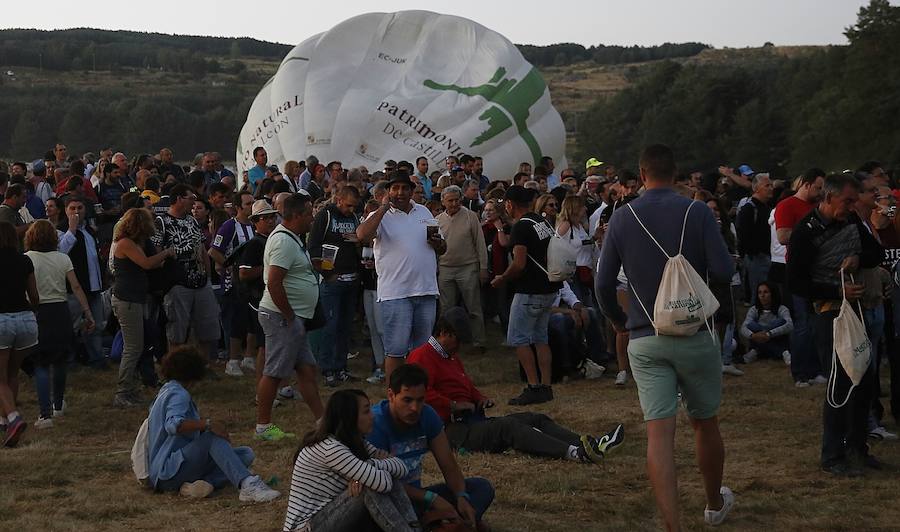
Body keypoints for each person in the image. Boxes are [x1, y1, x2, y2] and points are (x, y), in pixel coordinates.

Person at [596, 145, 736, 530]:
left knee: (659, 433)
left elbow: (603, 282)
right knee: (705, 423)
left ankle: (672, 525)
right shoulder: (696, 211)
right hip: (694, 333)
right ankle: (712, 505)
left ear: (642, 175)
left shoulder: (623, 218)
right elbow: (724, 270)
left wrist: (619, 320)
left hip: (645, 334)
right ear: (676, 174)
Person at [409, 318, 624, 462]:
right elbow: (420, 396)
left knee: (535, 419)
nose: (460, 347)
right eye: (458, 340)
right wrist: (453, 405)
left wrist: (479, 398)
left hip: (470, 421)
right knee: (508, 427)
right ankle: (574, 453)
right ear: (444, 334)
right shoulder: (421, 357)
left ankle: (587, 443)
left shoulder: (450, 357)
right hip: (451, 431)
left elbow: (467, 387)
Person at [786, 174, 883, 476]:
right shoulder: (805, 232)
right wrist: (836, 291)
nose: (852, 206)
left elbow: (876, 253)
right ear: (828, 198)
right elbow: (796, 282)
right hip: (830, 313)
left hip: (857, 310)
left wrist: (857, 257)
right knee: (840, 384)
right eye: (847, 201)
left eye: (854, 201)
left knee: (865, 381)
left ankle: (857, 448)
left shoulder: (851, 221)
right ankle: (832, 455)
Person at [146, 345, 280, 502]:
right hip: (168, 471)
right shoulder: (179, 394)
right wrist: (207, 424)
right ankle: (247, 485)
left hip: (168, 470)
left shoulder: (165, 391)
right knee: (211, 438)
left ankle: (199, 485)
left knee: (245, 454)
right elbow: (174, 425)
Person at [368, 364, 494, 530]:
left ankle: (448, 523)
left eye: (420, 400)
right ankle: (450, 524)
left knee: (481, 488)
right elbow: (378, 483)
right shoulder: (375, 423)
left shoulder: (427, 415)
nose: (414, 408)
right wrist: (431, 498)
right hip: (390, 500)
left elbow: (448, 465)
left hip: (418, 499)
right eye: (407, 400)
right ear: (391, 395)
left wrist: (461, 496)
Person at [283, 389, 419, 532]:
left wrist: (370, 467)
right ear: (349, 417)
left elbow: (402, 469)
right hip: (306, 528)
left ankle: (415, 527)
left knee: (380, 478)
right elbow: (382, 483)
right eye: (366, 412)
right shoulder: (331, 448)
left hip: (332, 515)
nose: (372, 416)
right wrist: (371, 470)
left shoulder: (355, 442)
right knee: (369, 487)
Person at [356, 171, 446, 382]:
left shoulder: (423, 211)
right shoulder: (379, 215)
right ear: (387, 192)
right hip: (396, 293)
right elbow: (362, 235)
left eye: (405, 188)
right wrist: (383, 208)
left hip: (426, 290)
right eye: (395, 188)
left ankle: (418, 392)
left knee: (422, 350)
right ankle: (394, 397)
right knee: (396, 349)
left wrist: (439, 244)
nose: (400, 192)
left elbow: (442, 247)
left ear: (412, 191)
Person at [256, 193, 325, 441]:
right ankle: (263, 426)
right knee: (274, 372)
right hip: (282, 317)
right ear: (296, 215)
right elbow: (274, 283)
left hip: (294, 317)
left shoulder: (293, 238)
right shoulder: (284, 242)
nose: (312, 218)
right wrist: (289, 317)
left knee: (306, 369)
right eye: (309, 213)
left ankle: (322, 420)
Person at [490, 185, 561, 406]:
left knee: (519, 338)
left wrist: (502, 278)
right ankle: (546, 385)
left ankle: (533, 386)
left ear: (510, 204)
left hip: (529, 290)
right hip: (548, 287)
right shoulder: (543, 223)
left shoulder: (521, 227)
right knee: (540, 338)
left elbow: (519, 263)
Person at [24, 220, 95, 428]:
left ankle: (45, 415)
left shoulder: (27, 258)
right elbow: (76, 286)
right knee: (61, 359)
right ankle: (58, 405)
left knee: (41, 363)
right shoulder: (63, 258)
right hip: (61, 310)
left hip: (39, 311)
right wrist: (87, 312)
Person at [111, 208, 174, 407]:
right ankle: (123, 392)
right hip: (127, 300)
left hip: (134, 299)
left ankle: (132, 387)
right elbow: (147, 264)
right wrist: (166, 252)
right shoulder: (125, 243)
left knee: (137, 346)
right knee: (132, 348)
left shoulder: (135, 243)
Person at [151, 184, 220, 355]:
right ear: (179, 199)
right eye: (191, 199)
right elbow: (156, 253)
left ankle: (202, 368)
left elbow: (202, 249)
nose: (194, 203)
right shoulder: (161, 222)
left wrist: (208, 278)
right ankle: (174, 371)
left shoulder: (191, 221)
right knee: (177, 332)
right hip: (177, 284)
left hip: (201, 283)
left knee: (206, 330)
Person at [774, 168, 826, 386]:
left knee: (817, 321)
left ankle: (815, 369)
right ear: (806, 184)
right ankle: (800, 372)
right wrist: (811, 231)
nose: (821, 192)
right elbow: (783, 236)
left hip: (819, 270)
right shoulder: (787, 205)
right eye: (818, 187)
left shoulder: (817, 206)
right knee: (802, 322)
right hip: (799, 270)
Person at [308, 186, 362, 387]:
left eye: (354, 206)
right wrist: (327, 274)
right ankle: (327, 368)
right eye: (348, 205)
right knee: (330, 325)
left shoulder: (354, 217)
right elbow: (313, 246)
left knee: (345, 326)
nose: (350, 209)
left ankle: (341, 367)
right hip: (332, 280)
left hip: (351, 278)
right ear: (338, 200)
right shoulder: (326, 216)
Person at [209, 190, 257, 377]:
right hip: (234, 284)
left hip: (253, 282)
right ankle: (233, 360)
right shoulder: (229, 226)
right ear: (238, 207)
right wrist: (229, 266)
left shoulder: (254, 226)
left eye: (253, 202)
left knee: (253, 321)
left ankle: (249, 357)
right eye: (247, 203)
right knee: (236, 322)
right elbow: (214, 251)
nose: (251, 206)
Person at [0, 221, 39, 447]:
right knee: (12, 374)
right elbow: (34, 296)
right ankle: (5, 420)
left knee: (0, 377)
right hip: (25, 321)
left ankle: (13, 418)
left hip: (2, 320)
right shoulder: (25, 260)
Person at [436, 185, 488, 349]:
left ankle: (478, 341)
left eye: (457, 200)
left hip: (468, 267)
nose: (454, 203)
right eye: (450, 200)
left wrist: (483, 267)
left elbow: (480, 243)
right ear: (443, 201)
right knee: (446, 309)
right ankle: (446, 343)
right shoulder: (437, 220)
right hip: (445, 268)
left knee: (473, 307)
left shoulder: (470, 216)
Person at [59, 197, 108, 370]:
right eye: (72, 208)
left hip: (93, 286)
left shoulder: (89, 230)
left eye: (80, 207)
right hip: (73, 288)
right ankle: (69, 361)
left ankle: (96, 358)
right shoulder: (61, 230)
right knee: (72, 327)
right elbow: (61, 252)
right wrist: (71, 230)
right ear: (66, 210)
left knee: (96, 325)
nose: (76, 212)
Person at [238, 200, 280, 383]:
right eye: (266, 218)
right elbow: (244, 273)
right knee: (264, 345)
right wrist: (269, 268)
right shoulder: (254, 244)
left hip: (272, 298)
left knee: (275, 345)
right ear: (256, 221)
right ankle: (263, 386)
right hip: (259, 300)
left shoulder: (271, 239)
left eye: (273, 217)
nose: (271, 221)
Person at [735, 173, 773, 304]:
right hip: (755, 257)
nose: (771, 188)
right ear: (756, 188)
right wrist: (748, 253)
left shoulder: (766, 208)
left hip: (766, 256)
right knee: (760, 296)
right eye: (767, 185)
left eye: (771, 185)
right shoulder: (749, 209)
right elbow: (742, 234)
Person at [740, 282, 793, 364]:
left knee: (781, 322)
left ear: (772, 294)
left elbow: (790, 325)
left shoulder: (782, 309)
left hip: (776, 339)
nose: (762, 295)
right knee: (751, 325)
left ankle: (756, 352)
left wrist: (769, 334)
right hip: (759, 341)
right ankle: (783, 352)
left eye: (766, 292)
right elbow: (744, 327)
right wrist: (753, 335)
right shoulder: (754, 309)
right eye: (759, 292)